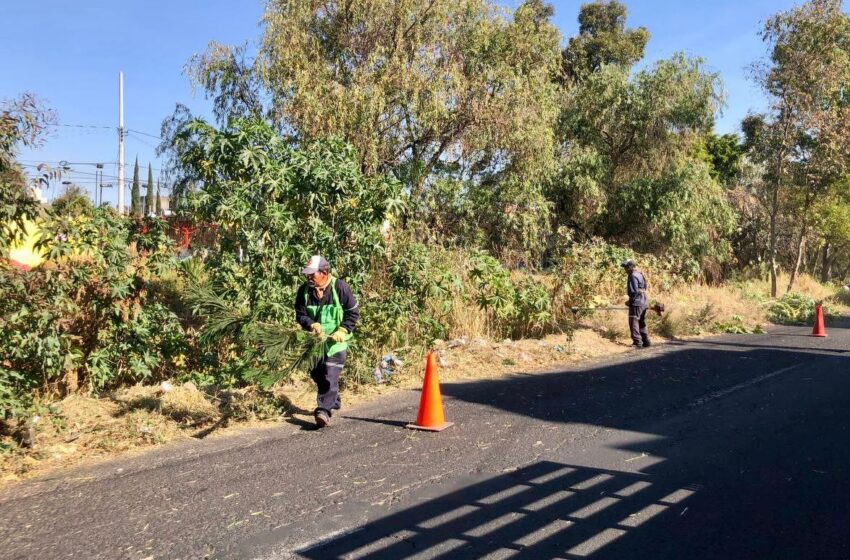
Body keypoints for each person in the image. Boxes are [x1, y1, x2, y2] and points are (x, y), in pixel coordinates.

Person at [294, 255, 360, 427]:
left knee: (330, 375)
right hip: (315, 343)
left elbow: (353, 313)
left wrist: (343, 330)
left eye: (312, 274)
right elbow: (300, 314)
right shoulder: (304, 291)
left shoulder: (340, 287)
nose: (309, 277)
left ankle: (323, 411)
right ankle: (333, 398)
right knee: (317, 374)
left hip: (335, 343)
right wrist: (311, 324)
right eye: (307, 274)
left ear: (324, 273)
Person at [621, 259, 651, 348]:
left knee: (633, 321)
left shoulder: (632, 276)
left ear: (631, 266)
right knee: (641, 321)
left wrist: (630, 301)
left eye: (626, 267)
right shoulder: (640, 273)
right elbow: (644, 287)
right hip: (643, 301)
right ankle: (646, 341)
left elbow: (634, 291)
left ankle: (637, 342)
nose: (625, 269)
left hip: (637, 302)